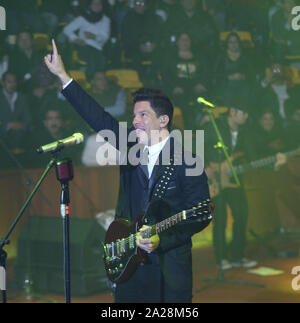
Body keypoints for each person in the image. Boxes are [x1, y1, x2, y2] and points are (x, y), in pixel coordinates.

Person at [44, 39, 211, 303]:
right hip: (129, 266)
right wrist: (63, 77)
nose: (135, 121)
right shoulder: (130, 146)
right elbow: (98, 118)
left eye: (143, 116)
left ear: (163, 120)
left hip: (168, 271)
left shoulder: (187, 160)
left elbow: (200, 214)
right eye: (134, 116)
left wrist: (161, 241)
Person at [204, 96, 257, 270]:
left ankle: (237, 255)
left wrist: (273, 160)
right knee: (220, 219)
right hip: (215, 180)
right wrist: (205, 167)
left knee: (242, 214)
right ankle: (221, 258)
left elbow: (251, 155)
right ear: (232, 112)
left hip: (234, 179)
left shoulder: (246, 132)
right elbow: (194, 146)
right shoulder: (214, 127)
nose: (246, 116)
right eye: (243, 113)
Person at [63, 0, 111, 77]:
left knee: (98, 56)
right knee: (93, 56)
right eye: (94, 3)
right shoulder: (82, 18)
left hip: (98, 48)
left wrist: (94, 36)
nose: (97, 5)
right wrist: (76, 39)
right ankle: (90, 78)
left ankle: (93, 78)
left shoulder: (106, 20)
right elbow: (67, 29)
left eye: (99, 3)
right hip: (83, 45)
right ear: (89, 5)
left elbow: (105, 38)